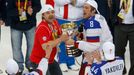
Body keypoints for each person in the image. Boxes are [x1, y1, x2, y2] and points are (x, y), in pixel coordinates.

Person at [72, 0, 112, 75]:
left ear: (93, 11)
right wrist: (81, 36)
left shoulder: (93, 23)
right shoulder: (98, 18)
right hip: (103, 55)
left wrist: (74, 43)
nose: (84, 9)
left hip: (95, 59)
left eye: (87, 8)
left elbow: (93, 46)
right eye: (83, 7)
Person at [30, 4, 69, 75]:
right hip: (39, 61)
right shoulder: (42, 27)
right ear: (43, 15)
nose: (51, 14)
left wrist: (71, 39)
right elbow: (46, 46)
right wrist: (60, 39)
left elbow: (60, 35)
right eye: (48, 13)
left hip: (50, 59)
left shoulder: (54, 22)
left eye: (52, 12)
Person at [7, 0, 41, 74]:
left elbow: (38, 6)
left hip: (30, 25)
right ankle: (18, 66)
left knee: (32, 46)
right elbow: (8, 11)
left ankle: (30, 64)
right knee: (16, 48)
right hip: (15, 25)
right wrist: (17, 12)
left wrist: (33, 10)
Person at [54, 0, 87, 72]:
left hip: (77, 18)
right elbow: (58, 1)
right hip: (62, 17)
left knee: (73, 40)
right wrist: (71, 1)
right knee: (63, 40)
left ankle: (71, 62)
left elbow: (84, 2)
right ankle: (62, 61)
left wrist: (76, 2)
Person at [112, 0, 134, 75]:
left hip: (133, 26)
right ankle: (121, 70)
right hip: (119, 26)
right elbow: (113, 8)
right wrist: (113, 21)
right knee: (118, 51)